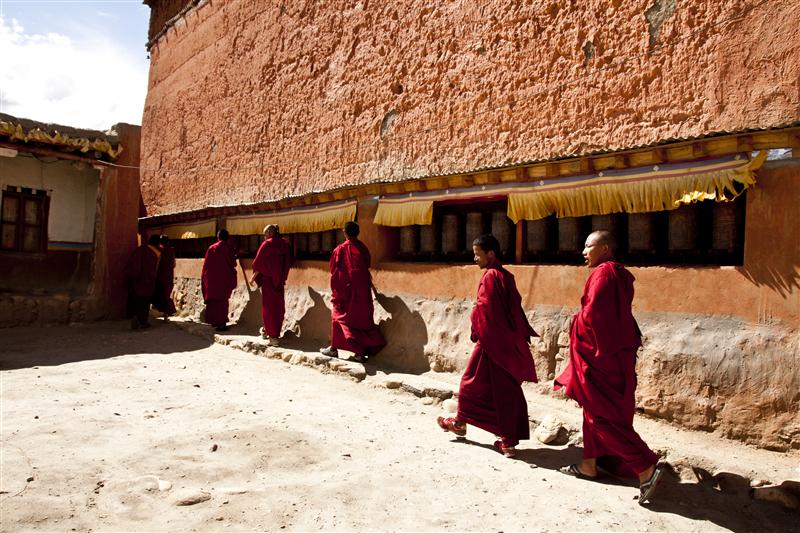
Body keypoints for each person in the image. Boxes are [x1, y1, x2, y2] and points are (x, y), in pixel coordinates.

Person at [554, 230, 663, 504]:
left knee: (600, 417)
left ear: (604, 249)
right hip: (614, 355)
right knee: (594, 409)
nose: (583, 252)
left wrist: (575, 323)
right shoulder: (618, 275)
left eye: (588, 246)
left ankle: (645, 467)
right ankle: (589, 464)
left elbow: (594, 317)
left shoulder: (604, 274)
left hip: (602, 357)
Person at [437, 234, 538, 458]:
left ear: (490, 254)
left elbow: (485, 310)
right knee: (495, 389)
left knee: (472, 385)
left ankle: (506, 441)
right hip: (506, 342)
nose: (475, 258)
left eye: (477, 254)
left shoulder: (491, 276)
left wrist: (476, 328)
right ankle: (462, 424)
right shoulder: (506, 276)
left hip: (492, 343)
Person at [319, 221, 386, 363]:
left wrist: (338, 290)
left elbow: (333, 269)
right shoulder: (363, 248)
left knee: (339, 317)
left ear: (344, 232)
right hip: (363, 290)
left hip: (346, 291)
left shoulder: (341, 249)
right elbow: (367, 264)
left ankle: (336, 349)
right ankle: (360, 353)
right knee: (361, 319)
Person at [250, 224, 292, 346]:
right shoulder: (285, 244)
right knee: (278, 308)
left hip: (268, 281)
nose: (264, 237)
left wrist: (253, 278)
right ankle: (269, 331)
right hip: (279, 282)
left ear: (269, 232)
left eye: (264, 234)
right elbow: (288, 262)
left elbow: (259, 263)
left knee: (269, 309)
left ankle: (273, 337)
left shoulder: (267, 244)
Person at [201, 229, 238, 331]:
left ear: (218, 237)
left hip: (213, 279)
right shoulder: (230, 248)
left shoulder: (211, 248)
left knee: (214, 301)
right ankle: (222, 323)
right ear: (228, 238)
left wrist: (205, 279)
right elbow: (233, 263)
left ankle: (215, 322)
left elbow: (206, 266)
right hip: (225, 279)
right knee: (223, 301)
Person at [124, 234, 161, 330]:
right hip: (148, 282)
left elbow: (133, 265)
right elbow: (154, 270)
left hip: (137, 280)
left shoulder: (139, 250)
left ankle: (134, 316)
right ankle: (143, 322)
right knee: (145, 303)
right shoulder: (155, 254)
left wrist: (132, 277)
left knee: (135, 300)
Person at [152, 234, 177, 321]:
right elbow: (174, 264)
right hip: (169, 276)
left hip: (159, 276)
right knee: (166, 295)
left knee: (159, 294)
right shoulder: (171, 250)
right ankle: (166, 315)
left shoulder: (158, 249)